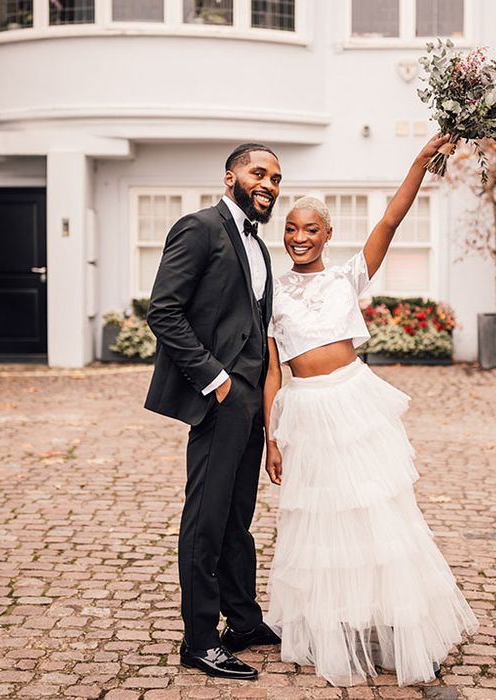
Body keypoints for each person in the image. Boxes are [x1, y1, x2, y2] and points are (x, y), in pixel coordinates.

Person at [263, 134, 479, 687]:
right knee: (321, 521)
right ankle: (332, 630)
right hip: (305, 411)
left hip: (354, 402)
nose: (300, 237)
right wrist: (272, 437)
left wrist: (419, 162)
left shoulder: (346, 276)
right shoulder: (270, 293)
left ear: (328, 235)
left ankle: (406, 631)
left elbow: (391, 219)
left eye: (311, 229)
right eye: (292, 228)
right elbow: (271, 370)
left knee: (377, 516)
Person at [145, 143, 283, 680]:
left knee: (236, 519)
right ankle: (200, 639)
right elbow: (164, 310)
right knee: (205, 519)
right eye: (257, 172)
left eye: (275, 176)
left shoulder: (262, 249)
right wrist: (215, 378)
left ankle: (243, 620)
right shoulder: (198, 227)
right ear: (230, 178)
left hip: (249, 401)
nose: (268, 183)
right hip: (220, 396)